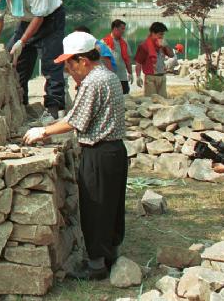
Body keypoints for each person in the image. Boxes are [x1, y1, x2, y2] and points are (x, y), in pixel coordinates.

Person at [23, 31, 127, 281]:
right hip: (115, 151)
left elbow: (76, 120)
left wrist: (43, 131)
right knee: (112, 205)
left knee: (95, 207)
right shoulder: (108, 76)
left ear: (83, 60)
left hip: (99, 152)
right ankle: (111, 253)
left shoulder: (93, 81)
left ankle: (96, 266)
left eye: (70, 64)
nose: (68, 70)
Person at [134, 21, 174, 98]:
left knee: (163, 101)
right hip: (150, 78)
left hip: (162, 77)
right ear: (153, 33)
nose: (162, 36)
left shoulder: (163, 44)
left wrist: (166, 46)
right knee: (151, 101)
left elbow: (171, 55)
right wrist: (138, 76)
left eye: (163, 34)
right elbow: (138, 62)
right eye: (160, 34)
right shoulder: (144, 46)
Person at [102, 19, 133, 94]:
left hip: (122, 76)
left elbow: (127, 59)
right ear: (115, 29)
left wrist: (130, 73)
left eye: (124, 29)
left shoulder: (124, 42)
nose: (123, 31)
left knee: (125, 95)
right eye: (122, 29)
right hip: (109, 77)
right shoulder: (104, 42)